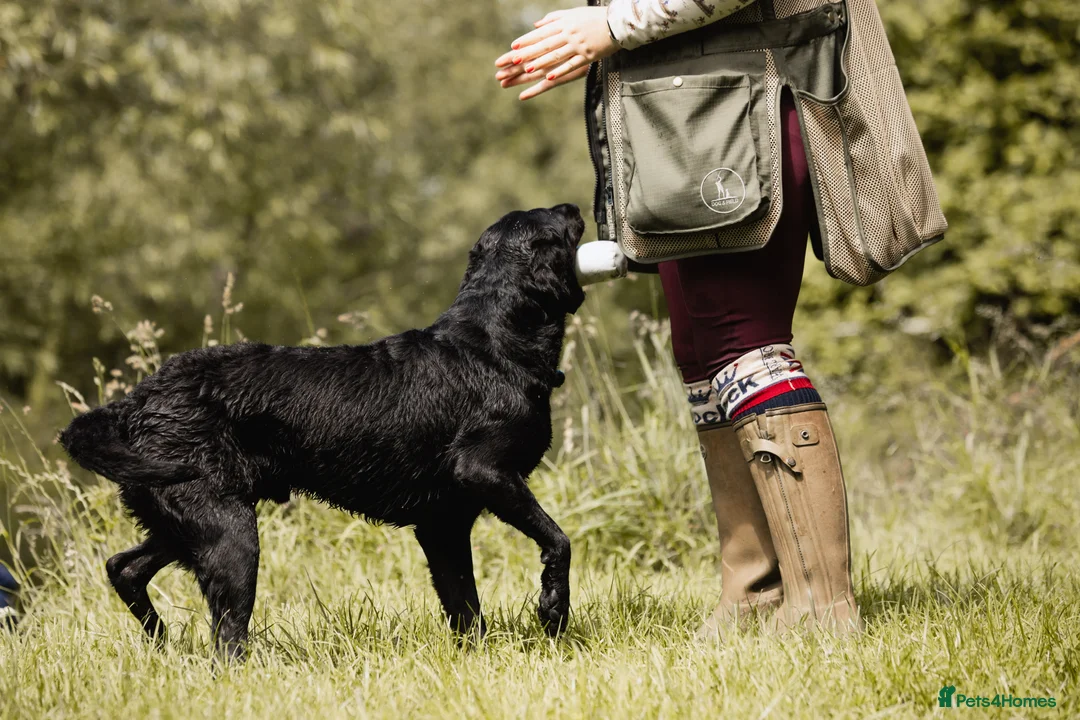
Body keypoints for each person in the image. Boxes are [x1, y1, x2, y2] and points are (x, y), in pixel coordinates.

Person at [495, 0, 946, 636]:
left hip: (737, 105)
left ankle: (823, 610)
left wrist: (615, 25)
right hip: (686, 111)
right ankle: (753, 596)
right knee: (704, 353)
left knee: (742, 338)